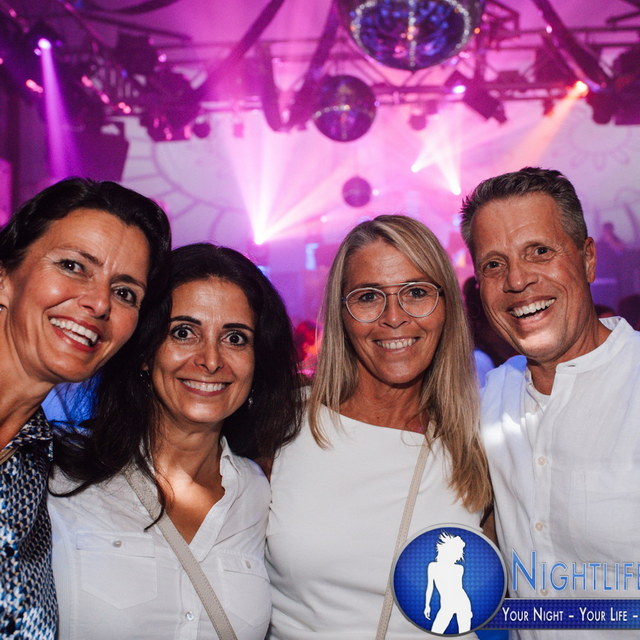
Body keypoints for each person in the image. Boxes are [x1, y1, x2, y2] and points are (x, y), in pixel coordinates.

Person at [49, 243, 302, 640]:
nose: (211, 360)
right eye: (183, 333)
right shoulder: (59, 473)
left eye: (236, 338)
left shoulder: (259, 494)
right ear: (145, 352)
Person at [266, 214, 491, 638]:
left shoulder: (480, 437)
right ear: (341, 313)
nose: (394, 317)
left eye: (417, 293)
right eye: (369, 297)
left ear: (447, 306)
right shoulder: (283, 423)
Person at [460, 167, 640, 639]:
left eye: (539, 251)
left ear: (587, 259)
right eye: (494, 265)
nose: (517, 280)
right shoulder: (490, 398)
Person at [0, 177, 171, 639]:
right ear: (4, 277)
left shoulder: (41, 461)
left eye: (125, 292)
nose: (98, 303)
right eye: (73, 266)